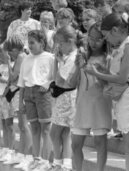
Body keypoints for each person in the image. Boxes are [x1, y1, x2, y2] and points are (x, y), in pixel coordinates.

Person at [85, 12, 129, 171]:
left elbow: (122, 78)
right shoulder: (123, 46)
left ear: (114, 30)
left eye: (106, 35)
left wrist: (97, 73)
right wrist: (103, 71)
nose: (105, 39)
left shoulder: (128, 45)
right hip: (127, 98)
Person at [71, 22, 112, 171]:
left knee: (100, 142)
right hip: (82, 104)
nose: (93, 42)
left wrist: (94, 70)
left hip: (100, 104)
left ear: (105, 40)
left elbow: (107, 83)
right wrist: (77, 66)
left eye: (98, 39)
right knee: (75, 144)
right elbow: (72, 82)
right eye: (91, 38)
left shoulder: (107, 58)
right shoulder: (83, 56)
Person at [18, 30, 54, 171]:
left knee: (46, 129)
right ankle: (36, 159)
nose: (30, 45)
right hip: (28, 93)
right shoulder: (26, 59)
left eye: (32, 42)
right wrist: (20, 102)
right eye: (29, 42)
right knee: (34, 128)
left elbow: (54, 77)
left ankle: (45, 161)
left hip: (43, 94)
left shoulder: (50, 57)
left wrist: (47, 84)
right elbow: (21, 83)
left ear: (42, 43)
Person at [49, 25, 78, 171]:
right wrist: (57, 59)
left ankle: (58, 162)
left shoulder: (73, 58)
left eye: (61, 43)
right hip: (65, 97)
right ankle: (64, 163)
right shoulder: (68, 57)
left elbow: (59, 80)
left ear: (70, 41)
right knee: (64, 133)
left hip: (67, 97)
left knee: (54, 132)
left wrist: (58, 61)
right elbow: (55, 78)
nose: (59, 46)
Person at [3, 35, 33, 169]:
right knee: (21, 126)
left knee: (24, 126)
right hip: (18, 93)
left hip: (22, 94)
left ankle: (28, 155)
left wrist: (7, 63)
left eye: (10, 50)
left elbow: (14, 76)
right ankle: (21, 154)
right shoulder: (21, 57)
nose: (9, 53)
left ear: (16, 48)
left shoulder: (20, 57)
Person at [0, 45, 16, 163]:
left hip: (6, 97)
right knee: (3, 124)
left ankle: (11, 150)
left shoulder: (11, 66)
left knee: (9, 124)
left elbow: (12, 80)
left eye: (2, 54)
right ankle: (5, 148)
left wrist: (2, 80)